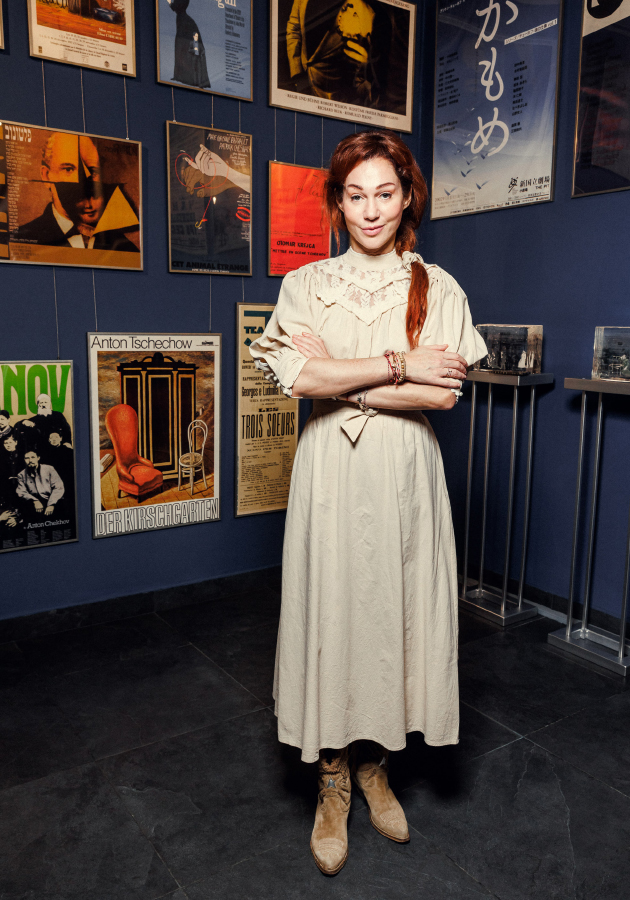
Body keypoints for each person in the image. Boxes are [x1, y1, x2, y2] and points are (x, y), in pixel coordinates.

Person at [249, 130, 486, 875]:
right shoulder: (305, 285)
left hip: (403, 474)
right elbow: (299, 380)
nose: (371, 209)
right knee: (332, 611)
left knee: (392, 612)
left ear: (407, 196)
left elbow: (440, 395)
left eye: (385, 192)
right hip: (330, 473)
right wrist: (398, 363)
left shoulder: (438, 287)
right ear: (338, 201)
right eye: (356, 195)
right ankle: (333, 779)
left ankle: (376, 762)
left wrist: (343, 376)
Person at [15, 133, 140, 252]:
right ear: (46, 175)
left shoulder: (126, 248)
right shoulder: (19, 240)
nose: (82, 181)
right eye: (68, 169)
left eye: (92, 171)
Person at [285, 0, 407, 112]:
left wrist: (367, 73)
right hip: (306, 83)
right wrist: (297, 74)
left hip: (339, 93)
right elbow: (294, 29)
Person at [166, 0, 211, 89]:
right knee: (181, 50)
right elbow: (177, 8)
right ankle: (183, 76)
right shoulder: (183, 17)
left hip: (185, 28)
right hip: (183, 26)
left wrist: (170, 3)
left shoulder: (184, 17)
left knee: (184, 50)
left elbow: (178, 7)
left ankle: (190, 78)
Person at [16, 450, 65, 522]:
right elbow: (21, 492)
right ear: (24, 460)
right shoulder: (21, 474)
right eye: (27, 458)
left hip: (53, 500)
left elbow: (58, 487)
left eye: (33, 457)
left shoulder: (49, 469)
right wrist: (34, 500)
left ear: (38, 458)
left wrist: (51, 504)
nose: (30, 460)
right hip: (34, 505)